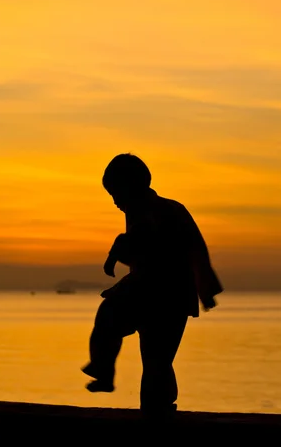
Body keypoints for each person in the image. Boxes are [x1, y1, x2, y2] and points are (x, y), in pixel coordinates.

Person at [82, 153, 223, 414]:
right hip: (170, 295)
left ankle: (109, 374)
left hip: (155, 292)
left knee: (123, 329)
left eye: (116, 194)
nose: (115, 203)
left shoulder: (149, 210)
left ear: (131, 187)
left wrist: (115, 253)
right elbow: (196, 250)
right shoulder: (167, 208)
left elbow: (143, 241)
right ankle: (155, 404)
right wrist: (206, 289)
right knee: (157, 358)